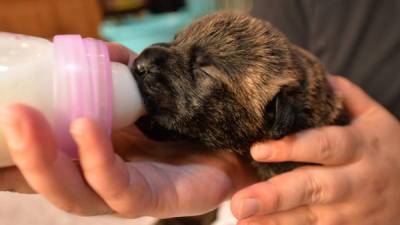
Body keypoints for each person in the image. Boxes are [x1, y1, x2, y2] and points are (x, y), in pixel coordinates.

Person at [0, 0, 399, 224]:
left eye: (202, 69)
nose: (146, 60)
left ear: (281, 120)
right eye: (177, 43)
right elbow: (265, 54)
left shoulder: (284, 107)